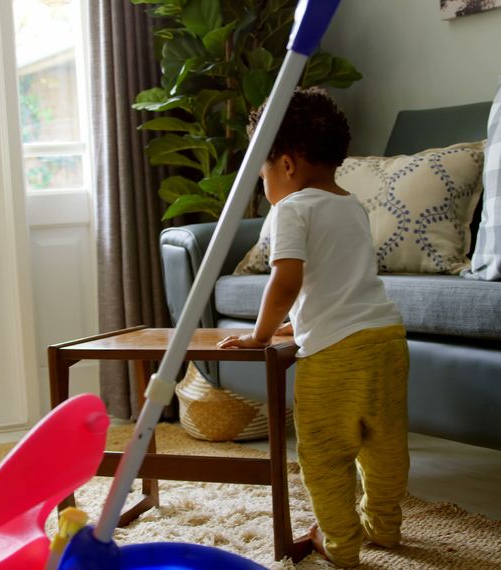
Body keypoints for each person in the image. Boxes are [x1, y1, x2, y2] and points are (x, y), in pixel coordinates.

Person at [218, 88, 409, 568]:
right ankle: (384, 525)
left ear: (285, 164)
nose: (264, 183)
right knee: (384, 443)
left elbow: (287, 279)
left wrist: (260, 335)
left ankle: (340, 544)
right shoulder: (352, 205)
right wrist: (293, 325)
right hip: (386, 339)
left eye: (262, 171)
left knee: (326, 455)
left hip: (334, 356)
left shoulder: (290, 208)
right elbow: (337, 281)